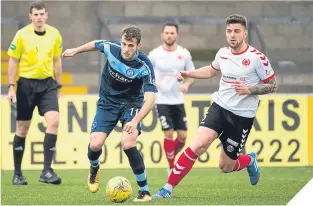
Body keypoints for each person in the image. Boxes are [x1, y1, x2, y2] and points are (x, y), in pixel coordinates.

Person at [153, 14, 278, 199]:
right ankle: (167, 188)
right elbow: (212, 70)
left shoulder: (257, 58)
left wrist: (250, 89)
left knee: (226, 166)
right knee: (198, 144)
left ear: (245, 33)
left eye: (236, 31)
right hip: (219, 108)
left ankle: (249, 160)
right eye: (229, 31)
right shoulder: (223, 53)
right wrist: (189, 73)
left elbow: (273, 85)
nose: (232, 35)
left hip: (241, 117)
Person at [62, 25, 157, 202]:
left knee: (128, 143)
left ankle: (144, 191)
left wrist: (135, 121)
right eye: (124, 44)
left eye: (131, 45)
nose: (126, 49)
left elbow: (151, 99)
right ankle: (94, 167)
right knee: (95, 144)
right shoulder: (111, 48)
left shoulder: (145, 65)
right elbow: (95, 44)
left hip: (131, 104)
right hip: (107, 103)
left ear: (138, 46)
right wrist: (76, 50)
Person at [7, 0, 63, 185]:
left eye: (42, 14)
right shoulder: (22, 35)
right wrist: (11, 86)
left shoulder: (55, 34)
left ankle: (46, 171)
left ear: (46, 15)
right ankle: (17, 174)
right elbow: (13, 60)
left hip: (47, 84)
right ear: (30, 16)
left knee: (54, 121)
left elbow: (57, 60)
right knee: (23, 128)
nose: (39, 17)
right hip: (26, 85)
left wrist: (59, 85)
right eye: (35, 14)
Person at [148, 23, 195, 172]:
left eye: (172, 33)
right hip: (162, 100)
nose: (169, 35)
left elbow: (192, 74)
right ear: (162, 35)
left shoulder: (184, 53)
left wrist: (187, 85)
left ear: (177, 35)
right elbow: (146, 73)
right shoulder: (154, 54)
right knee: (168, 133)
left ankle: (170, 156)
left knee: (182, 137)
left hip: (178, 100)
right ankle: (171, 166)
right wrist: (154, 84)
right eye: (167, 33)